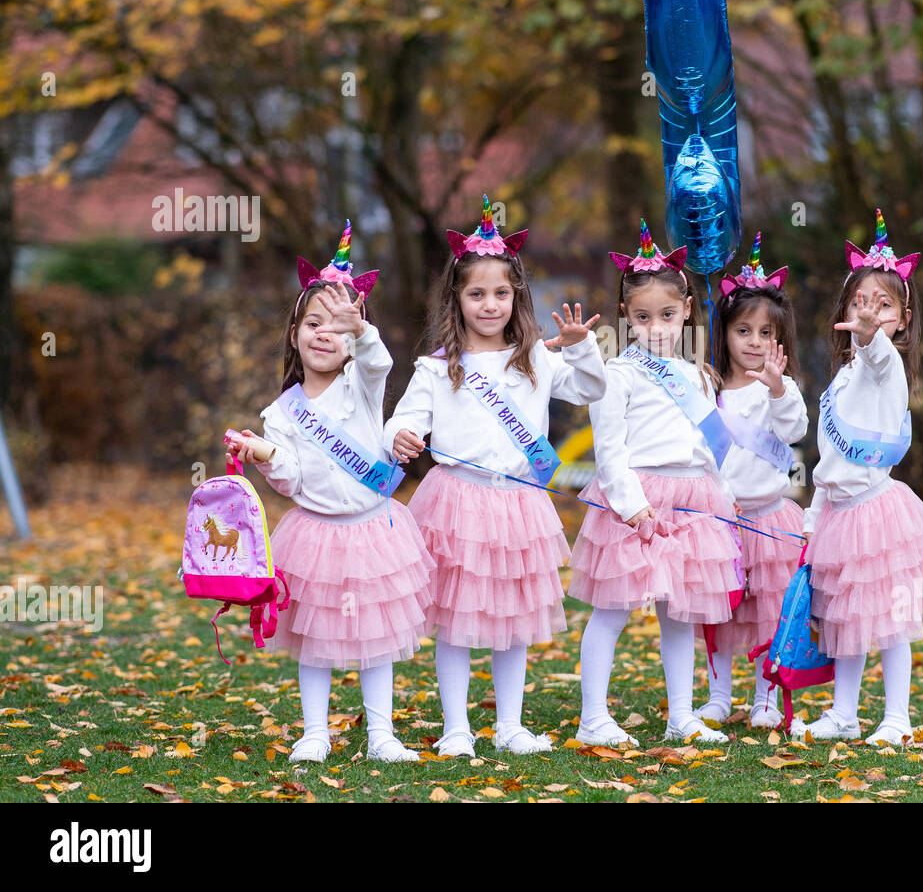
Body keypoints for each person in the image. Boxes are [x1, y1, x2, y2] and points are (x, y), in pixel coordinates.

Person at [385, 195, 606, 757]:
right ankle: (456, 727)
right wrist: (399, 439)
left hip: (517, 504)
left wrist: (582, 353)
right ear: (456, 299)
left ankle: (510, 724)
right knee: (456, 620)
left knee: (513, 616)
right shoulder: (437, 368)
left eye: (501, 293)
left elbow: (590, 391)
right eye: (476, 293)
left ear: (517, 297)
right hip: (455, 502)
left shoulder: (534, 358)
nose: (490, 304)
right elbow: (402, 422)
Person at [229, 223, 435, 763]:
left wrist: (360, 331)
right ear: (294, 332)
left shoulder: (359, 386)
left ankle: (382, 735)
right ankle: (315, 732)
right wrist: (266, 453)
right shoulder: (280, 413)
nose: (324, 334)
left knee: (378, 638)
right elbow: (291, 479)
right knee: (314, 642)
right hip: (315, 536)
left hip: (374, 530)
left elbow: (380, 363)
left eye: (336, 328)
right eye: (313, 323)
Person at [569, 221, 742, 747]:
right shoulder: (616, 374)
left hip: (692, 500)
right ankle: (593, 716)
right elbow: (609, 451)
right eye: (642, 317)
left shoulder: (696, 374)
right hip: (639, 504)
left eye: (667, 315)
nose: (657, 327)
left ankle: (681, 714)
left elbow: (703, 449)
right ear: (626, 317)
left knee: (679, 614)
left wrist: (721, 500)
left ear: (687, 309)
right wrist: (631, 507)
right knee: (613, 610)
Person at [802, 209, 923, 745]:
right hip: (838, 513)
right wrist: (813, 518)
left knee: (888, 621)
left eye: (884, 306)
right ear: (844, 309)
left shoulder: (888, 369)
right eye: (859, 303)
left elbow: (879, 358)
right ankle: (843, 713)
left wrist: (872, 338)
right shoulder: (842, 376)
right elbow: (826, 464)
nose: (869, 314)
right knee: (844, 620)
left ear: (903, 319)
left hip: (876, 513)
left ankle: (897, 718)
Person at [693, 234, 809, 729]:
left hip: (768, 520)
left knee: (768, 613)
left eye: (766, 334)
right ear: (725, 334)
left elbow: (797, 429)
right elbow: (699, 455)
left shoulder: (781, 390)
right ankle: (719, 695)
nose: (755, 343)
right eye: (744, 331)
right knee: (717, 613)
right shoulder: (709, 388)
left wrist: (781, 390)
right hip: (721, 520)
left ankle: (765, 696)